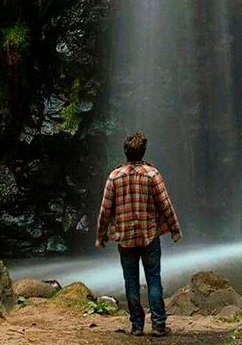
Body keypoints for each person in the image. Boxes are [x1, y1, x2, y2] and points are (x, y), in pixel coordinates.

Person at [96, 132, 182, 337]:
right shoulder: (152, 175)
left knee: (131, 281)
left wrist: (101, 235)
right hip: (148, 235)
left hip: (125, 238)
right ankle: (159, 325)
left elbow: (105, 209)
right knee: (153, 278)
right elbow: (166, 205)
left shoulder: (114, 177)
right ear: (143, 151)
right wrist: (175, 229)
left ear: (125, 153)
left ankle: (136, 326)